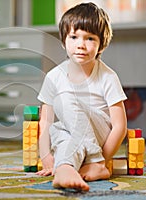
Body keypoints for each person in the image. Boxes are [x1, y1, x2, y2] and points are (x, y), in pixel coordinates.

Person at [36, 2, 127, 191]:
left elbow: (119, 126)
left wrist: (101, 159)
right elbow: (46, 121)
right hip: (69, 134)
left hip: (99, 136)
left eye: (90, 38)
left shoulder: (108, 77)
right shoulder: (54, 76)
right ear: (63, 41)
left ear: (101, 44)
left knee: (66, 98)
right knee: (62, 133)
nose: (81, 45)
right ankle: (64, 168)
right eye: (74, 37)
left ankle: (93, 165)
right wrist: (46, 157)